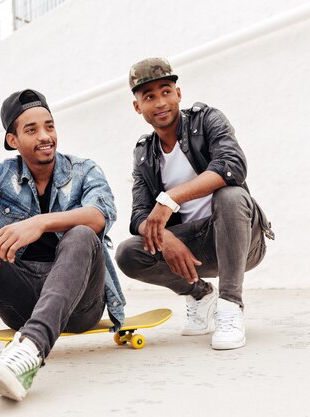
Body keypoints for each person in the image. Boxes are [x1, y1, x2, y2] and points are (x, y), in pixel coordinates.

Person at [0, 89, 125, 401]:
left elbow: (100, 216)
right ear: (13, 140)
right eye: (31, 130)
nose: (45, 136)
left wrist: (39, 222)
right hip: (21, 302)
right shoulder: (4, 174)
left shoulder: (84, 170)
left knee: (81, 233)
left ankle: (30, 350)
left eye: (50, 126)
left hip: (81, 303)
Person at [115, 57, 274, 350]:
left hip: (242, 239)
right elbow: (139, 215)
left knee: (230, 194)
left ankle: (230, 306)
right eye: (149, 96)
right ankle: (201, 295)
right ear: (138, 107)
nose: (160, 102)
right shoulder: (144, 153)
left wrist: (170, 199)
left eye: (166, 91)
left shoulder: (207, 120)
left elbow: (232, 167)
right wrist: (166, 239)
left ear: (179, 93)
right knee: (128, 253)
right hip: (191, 249)